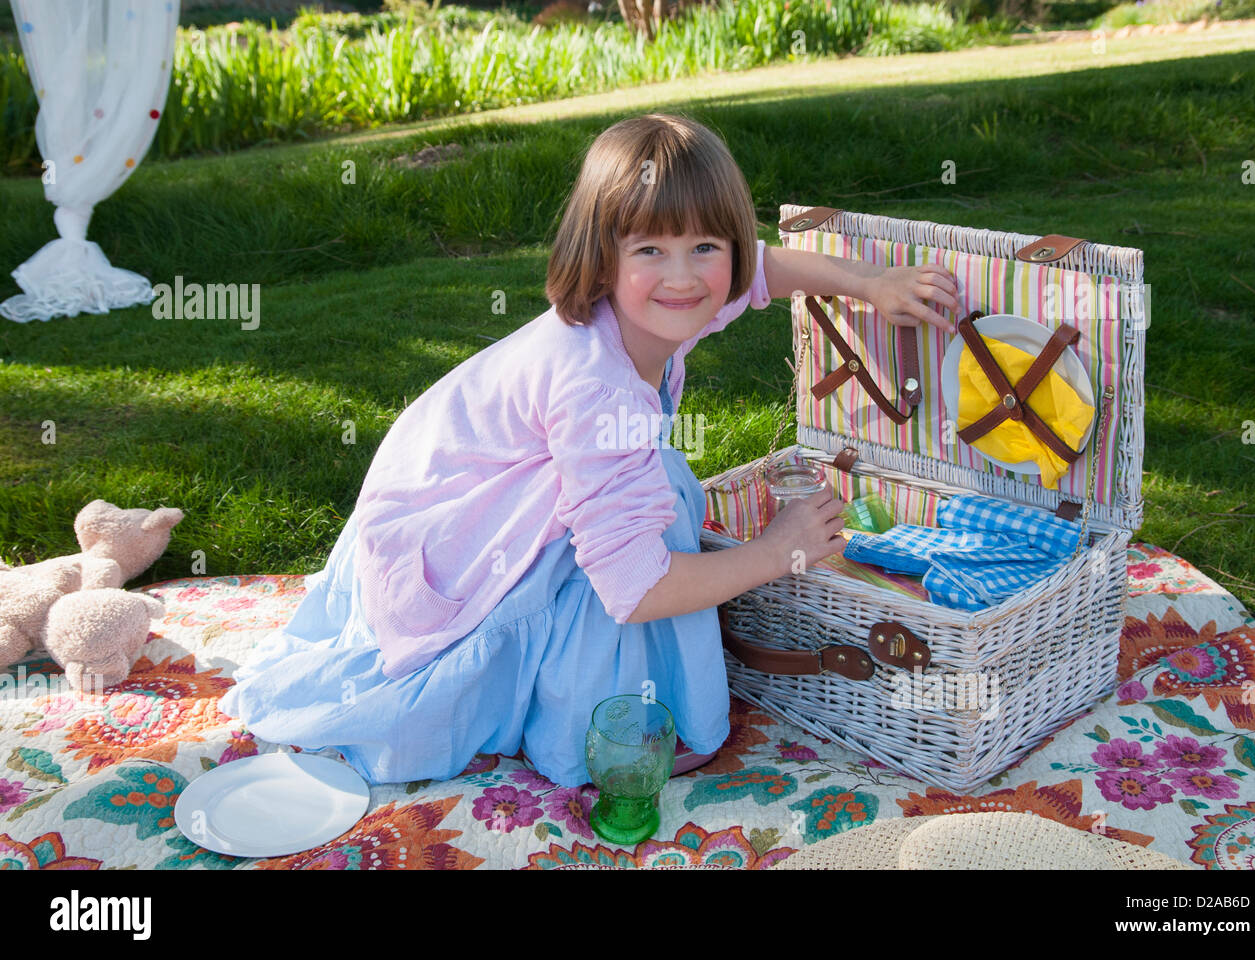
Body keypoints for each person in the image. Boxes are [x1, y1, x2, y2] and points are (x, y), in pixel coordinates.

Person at [217, 113, 958, 788]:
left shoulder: (652, 310)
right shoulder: (596, 388)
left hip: (458, 500)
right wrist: (777, 550)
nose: (684, 275)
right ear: (601, 258)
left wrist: (869, 282)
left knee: (653, 485)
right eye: (651, 250)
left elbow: (762, 267)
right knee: (660, 505)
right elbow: (635, 591)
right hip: (444, 549)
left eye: (706, 246)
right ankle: (577, 714)